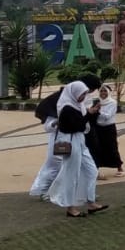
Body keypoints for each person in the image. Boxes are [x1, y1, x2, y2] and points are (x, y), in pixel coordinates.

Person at [28, 73, 101, 199]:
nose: (88, 94)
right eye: (90, 90)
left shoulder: (79, 101)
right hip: (61, 138)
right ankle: (42, 191)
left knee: (87, 168)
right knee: (54, 164)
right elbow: (49, 124)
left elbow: (83, 121)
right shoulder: (61, 101)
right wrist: (58, 123)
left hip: (78, 140)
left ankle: (86, 194)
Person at [45, 80, 109, 218]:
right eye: (82, 94)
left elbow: (82, 123)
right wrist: (88, 115)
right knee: (71, 174)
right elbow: (76, 125)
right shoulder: (67, 107)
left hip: (80, 140)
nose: (83, 97)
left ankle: (90, 202)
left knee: (91, 170)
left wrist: (90, 113)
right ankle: (70, 207)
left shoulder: (77, 105)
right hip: (71, 141)